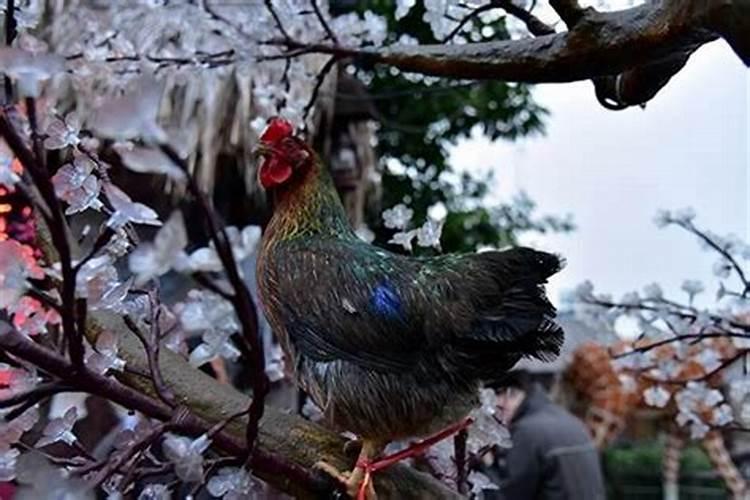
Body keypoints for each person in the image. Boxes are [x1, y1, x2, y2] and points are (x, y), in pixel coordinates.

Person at [480, 371, 606, 500]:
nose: (496, 408)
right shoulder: (570, 421)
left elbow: (505, 496)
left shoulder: (526, 431)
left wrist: (486, 463)